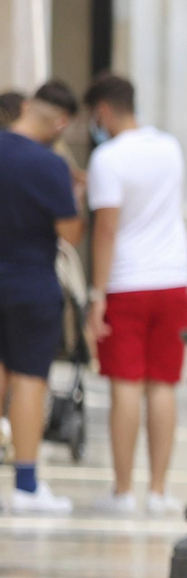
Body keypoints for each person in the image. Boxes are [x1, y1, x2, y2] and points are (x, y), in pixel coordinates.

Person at [82, 75, 187, 514]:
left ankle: (124, 490)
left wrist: (96, 295)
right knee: (162, 384)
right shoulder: (169, 147)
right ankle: (160, 490)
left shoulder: (107, 158)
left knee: (126, 384)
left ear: (104, 111)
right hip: (172, 279)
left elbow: (106, 229)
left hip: (126, 282)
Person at [0, 81, 84, 513]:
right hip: (31, 281)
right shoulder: (50, 166)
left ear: (28, 106)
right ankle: (26, 485)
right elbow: (70, 232)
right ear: (62, 122)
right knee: (29, 378)